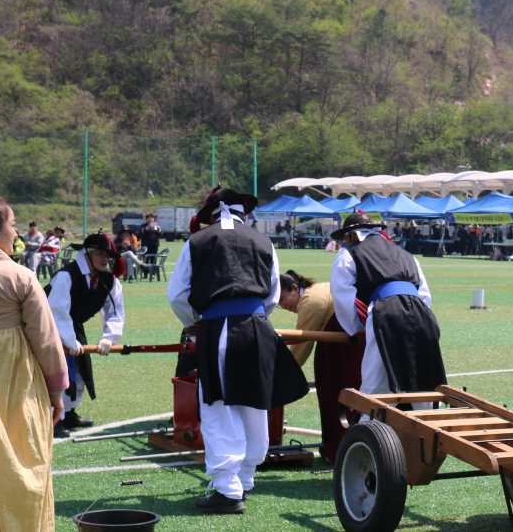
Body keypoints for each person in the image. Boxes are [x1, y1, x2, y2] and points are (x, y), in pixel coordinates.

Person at [167, 186, 308, 514]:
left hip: (218, 328)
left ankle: (228, 489)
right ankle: (244, 480)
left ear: (213, 213)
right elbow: (273, 295)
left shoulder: (197, 242)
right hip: (259, 327)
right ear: (244, 213)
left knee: (218, 404)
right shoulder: (264, 242)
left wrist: (195, 322)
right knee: (254, 401)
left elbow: (178, 295)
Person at [0, 195, 68, 530]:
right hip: (14, 385)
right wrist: (57, 393)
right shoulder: (20, 276)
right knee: (22, 464)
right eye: (13, 224)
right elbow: (46, 340)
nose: (17, 231)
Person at [330, 211, 446, 412]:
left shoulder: (348, 253)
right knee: (424, 385)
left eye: (344, 239)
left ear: (351, 235)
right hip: (421, 313)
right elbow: (424, 295)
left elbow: (344, 296)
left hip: (386, 313)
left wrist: (360, 328)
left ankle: (368, 432)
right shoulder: (406, 254)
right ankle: (432, 433)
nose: (343, 243)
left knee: (376, 387)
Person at [278, 270, 364, 463]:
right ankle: (338, 446)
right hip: (344, 339)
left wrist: (278, 376)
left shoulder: (309, 301)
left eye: (283, 299)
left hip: (344, 342)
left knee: (337, 394)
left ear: (294, 287)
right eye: (279, 304)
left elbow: (301, 345)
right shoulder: (315, 291)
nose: (283, 306)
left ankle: (340, 448)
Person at [46, 231, 126, 438]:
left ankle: (69, 412)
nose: (105, 259)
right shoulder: (66, 276)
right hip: (46, 328)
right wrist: (69, 341)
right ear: (86, 254)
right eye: (100, 254)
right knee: (54, 372)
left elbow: (115, 313)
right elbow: (56, 312)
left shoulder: (110, 281)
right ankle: (53, 418)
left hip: (71, 327)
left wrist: (109, 337)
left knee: (80, 371)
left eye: (108, 255)